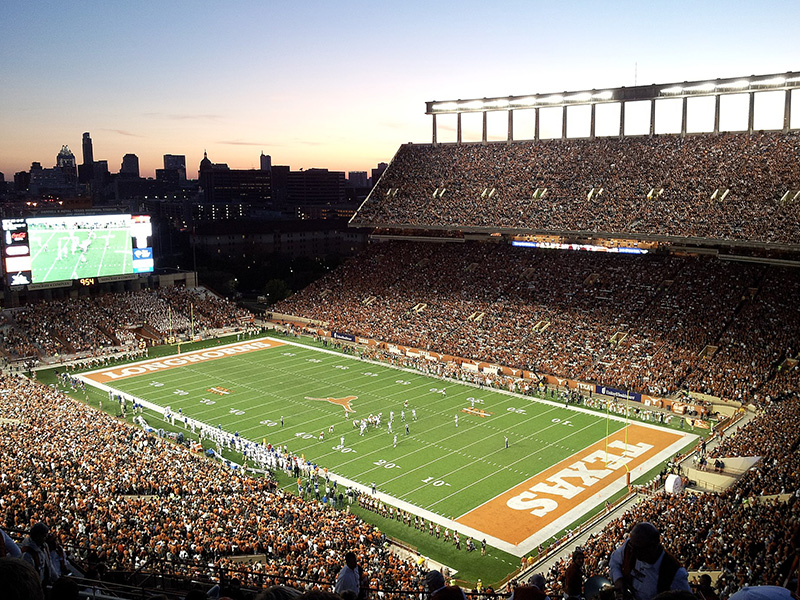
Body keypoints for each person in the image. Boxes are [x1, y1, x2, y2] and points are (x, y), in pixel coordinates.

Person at [609, 522, 690, 600]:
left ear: (654, 545)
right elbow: (614, 561)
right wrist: (618, 580)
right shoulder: (631, 546)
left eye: (638, 549)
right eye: (632, 546)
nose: (633, 552)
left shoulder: (675, 573)